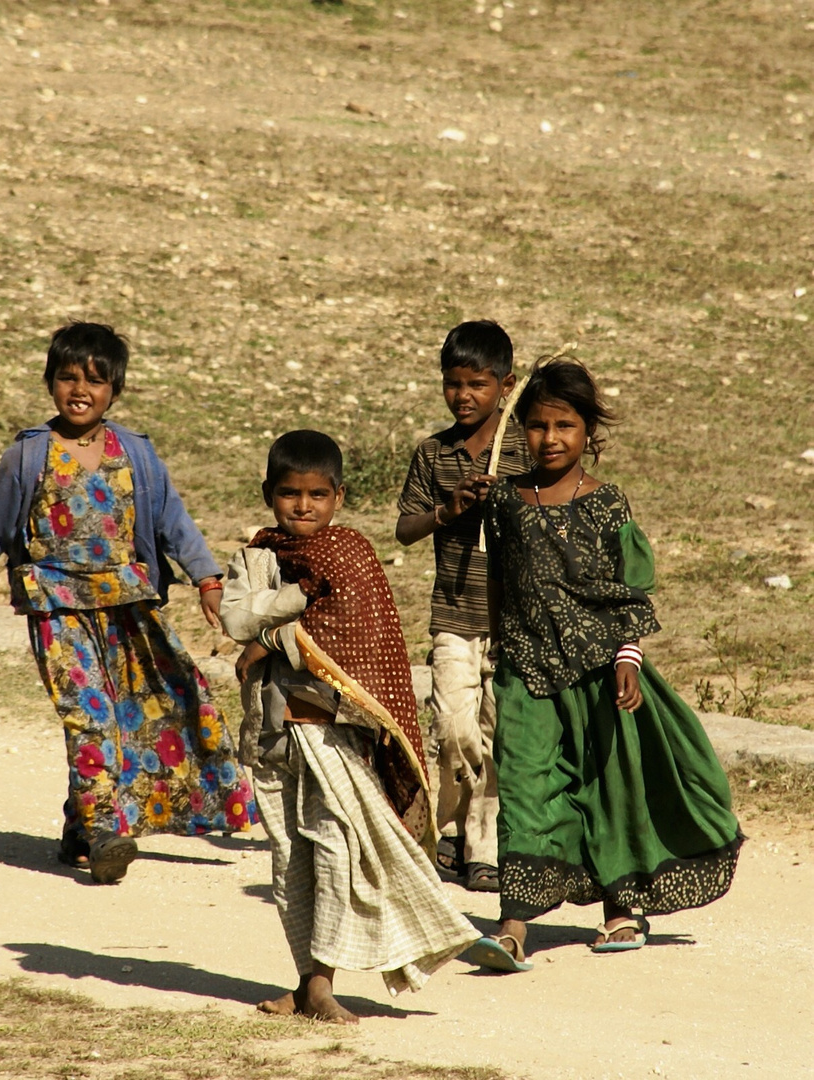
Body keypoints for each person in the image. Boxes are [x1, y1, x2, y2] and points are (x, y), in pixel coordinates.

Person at [0, 322, 257, 886]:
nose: (79, 390)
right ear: (49, 383)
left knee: (142, 713)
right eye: (66, 377)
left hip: (127, 605)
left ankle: (79, 828)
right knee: (88, 716)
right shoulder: (28, 456)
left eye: (94, 380)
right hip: (56, 606)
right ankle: (108, 830)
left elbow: (171, 522)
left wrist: (207, 577)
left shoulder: (135, 453)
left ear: (116, 389)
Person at [468, 357, 742, 973]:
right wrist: (496, 646)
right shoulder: (505, 503)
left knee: (608, 782)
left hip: (600, 671)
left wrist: (629, 657)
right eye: (538, 426)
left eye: (565, 425)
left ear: (589, 431)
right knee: (523, 786)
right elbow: (498, 582)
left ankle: (622, 907)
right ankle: (512, 927)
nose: (550, 439)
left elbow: (629, 590)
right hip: (526, 669)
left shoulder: (606, 504)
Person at [222, 430, 479, 1024]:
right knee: (290, 861)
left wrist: (271, 640)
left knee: (337, 849)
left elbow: (358, 641)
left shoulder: (351, 554)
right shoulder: (257, 556)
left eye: (316, 494)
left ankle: (325, 982)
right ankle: (305, 981)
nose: (303, 507)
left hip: (334, 733)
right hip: (273, 735)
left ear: (338, 496)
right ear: (269, 494)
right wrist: (291, 609)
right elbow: (239, 616)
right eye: (289, 494)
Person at [395, 320, 529, 893]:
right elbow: (405, 528)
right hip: (454, 613)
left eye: (478, 384)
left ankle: (483, 848)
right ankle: (452, 829)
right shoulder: (434, 452)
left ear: (507, 384)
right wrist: (448, 512)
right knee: (454, 729)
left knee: (499, 732)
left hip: (513, 619)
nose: (464, 395)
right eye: (453, 383)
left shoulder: (528, 448)